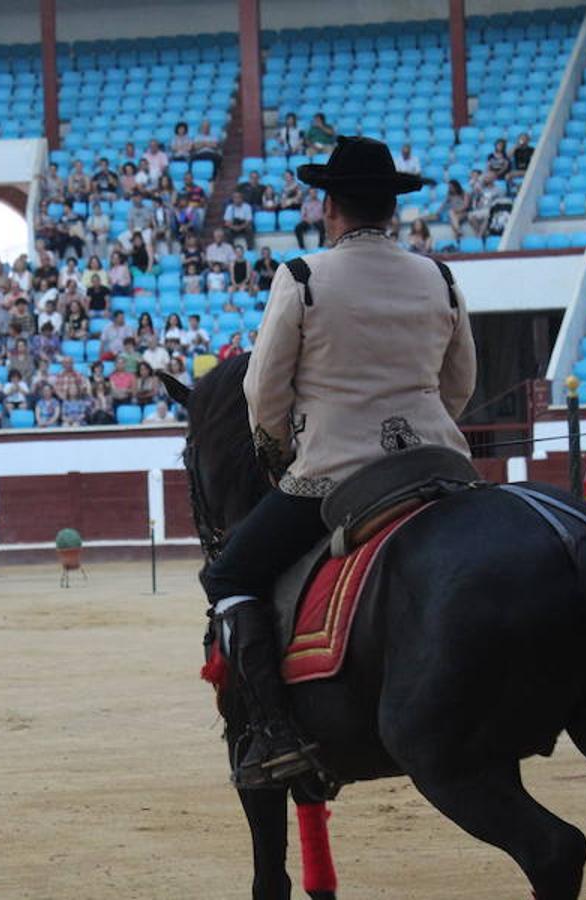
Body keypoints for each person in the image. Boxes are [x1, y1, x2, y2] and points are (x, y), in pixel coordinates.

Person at [203, 136, 476, 788]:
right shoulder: (439, 277)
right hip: (440, 465)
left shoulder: (303, 277)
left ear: (329, 206)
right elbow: (460, 383)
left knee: (229, 575)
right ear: (393, 209)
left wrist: (277, 454)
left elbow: (263, 390)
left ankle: (275, 733)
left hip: (335, 472)